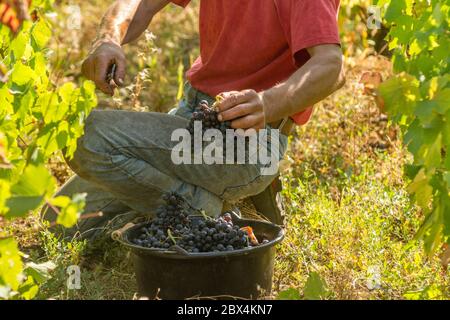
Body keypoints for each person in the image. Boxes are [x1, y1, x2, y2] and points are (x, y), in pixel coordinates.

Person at [44, 0, 345, 239]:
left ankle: (200, 211)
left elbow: (331, 65)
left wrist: (267, 103)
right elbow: (141, 4)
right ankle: (203, 202)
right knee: (57, 219)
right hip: (194, 120)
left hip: (248, 140)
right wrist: (108, 38)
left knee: (88, 136)